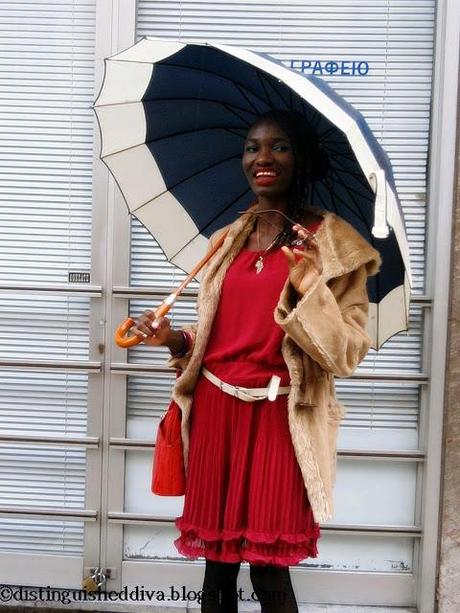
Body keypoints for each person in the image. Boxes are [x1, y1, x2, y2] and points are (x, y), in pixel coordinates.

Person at [132, 110, 382, 612]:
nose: (263, 157)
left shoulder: (332, 247)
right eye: (252, 147)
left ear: (302, 158)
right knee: (215, 570)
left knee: (270, 572)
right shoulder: (225, 242)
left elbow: (346, 353)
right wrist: (173, 339)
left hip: (280, 419)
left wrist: (311, 285)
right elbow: (218, 337)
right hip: (216, 412)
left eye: (280, 146)